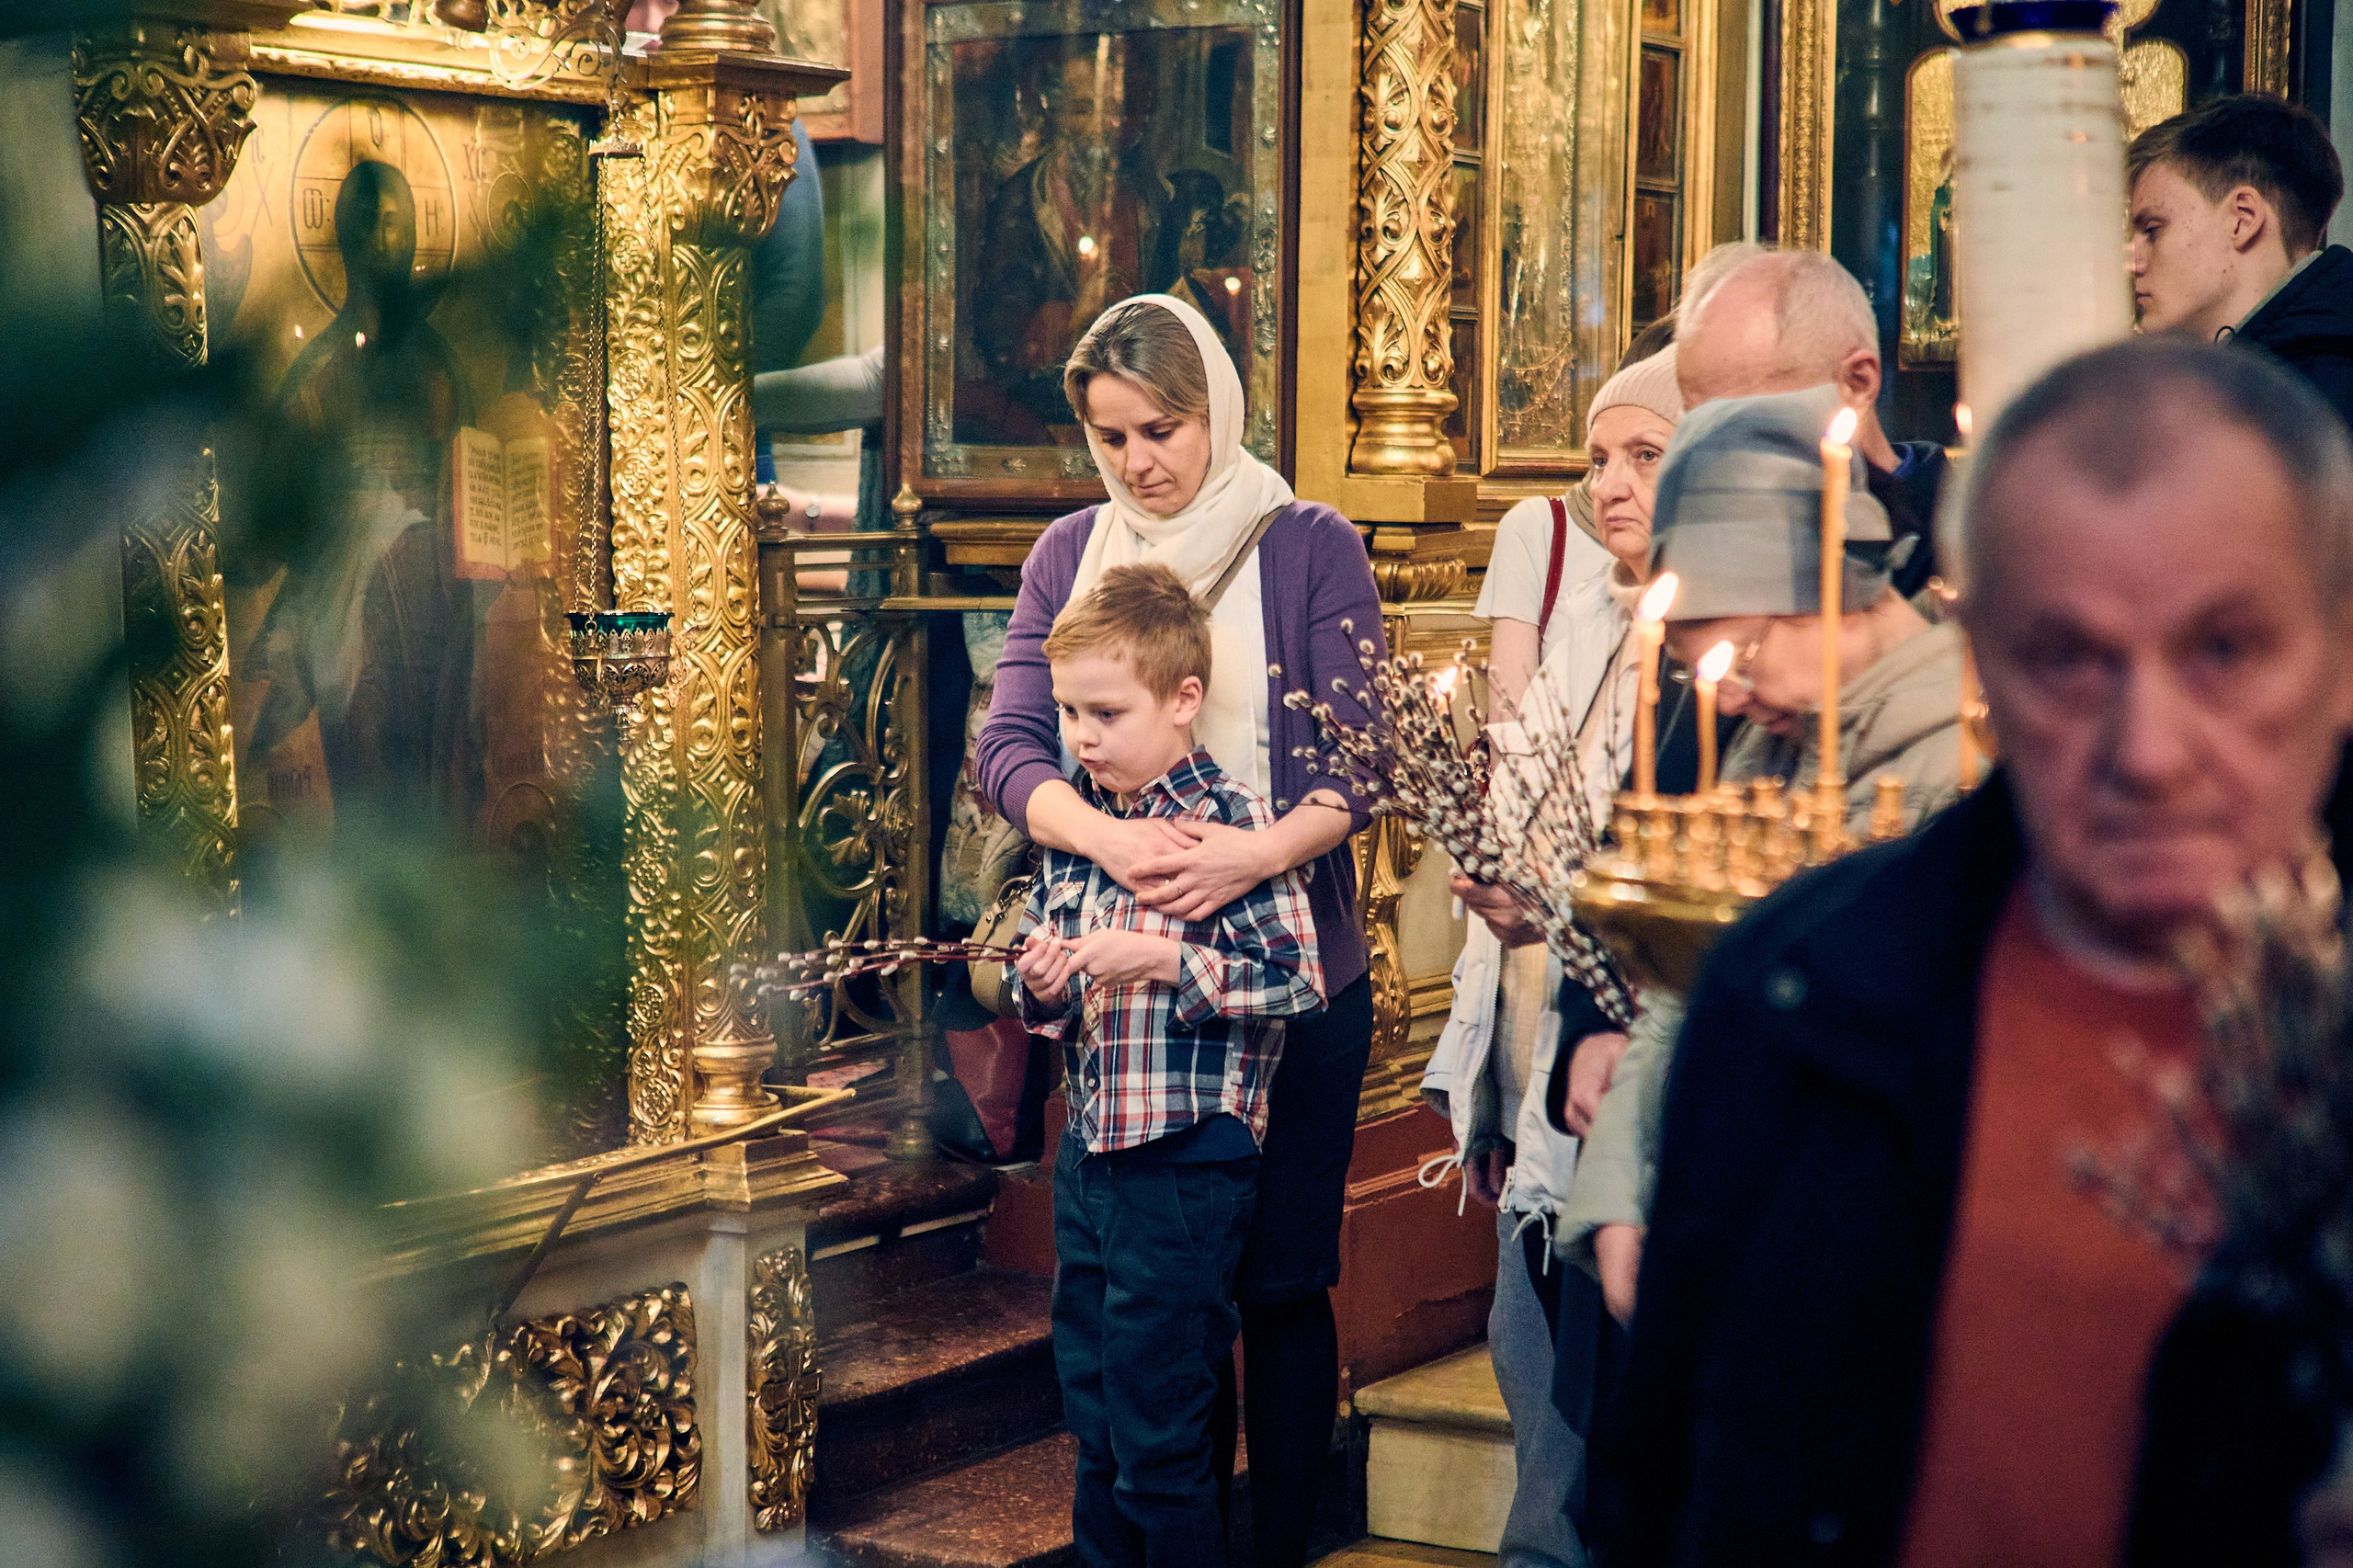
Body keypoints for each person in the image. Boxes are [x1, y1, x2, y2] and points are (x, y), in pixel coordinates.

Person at [1594, 338, 2353, 1567]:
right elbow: (1666, 1483)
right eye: (2068, 658)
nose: (2147, 749)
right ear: (1985, 656)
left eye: (2224, 650)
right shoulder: (1796, 995)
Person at [975, 292, 1383, 1568]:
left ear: (1217, 408)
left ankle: (1282, 1546)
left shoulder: (1304, 541)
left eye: (1162, 429)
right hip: (1135, 1010)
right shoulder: (1069, 553)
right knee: (1155, 1322)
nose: (1139, 461)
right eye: (1111, 437)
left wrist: (1248, 854)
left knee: (1278, 1282)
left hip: (1287, 964)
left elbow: (1363, 755)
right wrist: (1108, 843)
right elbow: (1008, 746)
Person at [1554, 383, 1965, 1327]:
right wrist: (1617, 1198)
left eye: (1740, 658)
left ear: (1829, 591)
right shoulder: (1773, 743)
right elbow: (1680, 994)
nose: (1729, 697)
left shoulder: (1958, 759)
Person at [1422, 343, 1685, 1568]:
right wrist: (1483, 1088)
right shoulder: (1585, 621)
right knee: (1532, 1381)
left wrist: (1548, 897)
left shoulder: (1706, 658)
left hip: (1632, 1092)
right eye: (1598, 459)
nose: (1610, 483)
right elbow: (1517, 853)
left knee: (1600, 1459)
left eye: (1646, 455)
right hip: (1539, 1085)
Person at [1013, 562, 1326, 1568]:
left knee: (1160, 1437)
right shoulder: (1081, 829)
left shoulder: (1234, 825)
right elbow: (1043, 988)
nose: (1082, 736)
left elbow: (1297, 983)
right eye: (1069, 712)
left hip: (1187, 1162)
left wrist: (1160, 960)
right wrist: (1044, 981)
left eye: (1106, 712)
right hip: (1091, 1158)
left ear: (1184, 698)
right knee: (1097, 1423)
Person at [1675, 247, 1945, 597]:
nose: (1714, 459)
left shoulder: (1969, 549)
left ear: (1857, 384)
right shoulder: (1714, 548)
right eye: (1695, 426)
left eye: (1744, 420)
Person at [2128, 94, 2351, 429]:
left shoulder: (2318, 403)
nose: (2132, 262)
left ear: (2242, 220)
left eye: (2152, 230)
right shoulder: (2263, 384)